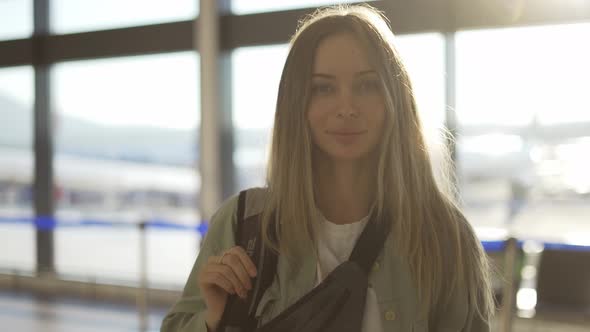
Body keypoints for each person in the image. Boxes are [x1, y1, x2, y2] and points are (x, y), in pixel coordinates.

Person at [161, 4, 494, 332]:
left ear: (395, 100)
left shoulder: (442, 236)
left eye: (367, 85)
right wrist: (212, 319)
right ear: (296, 104)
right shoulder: (245, 225)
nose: (346, 107)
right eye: (323, 88)